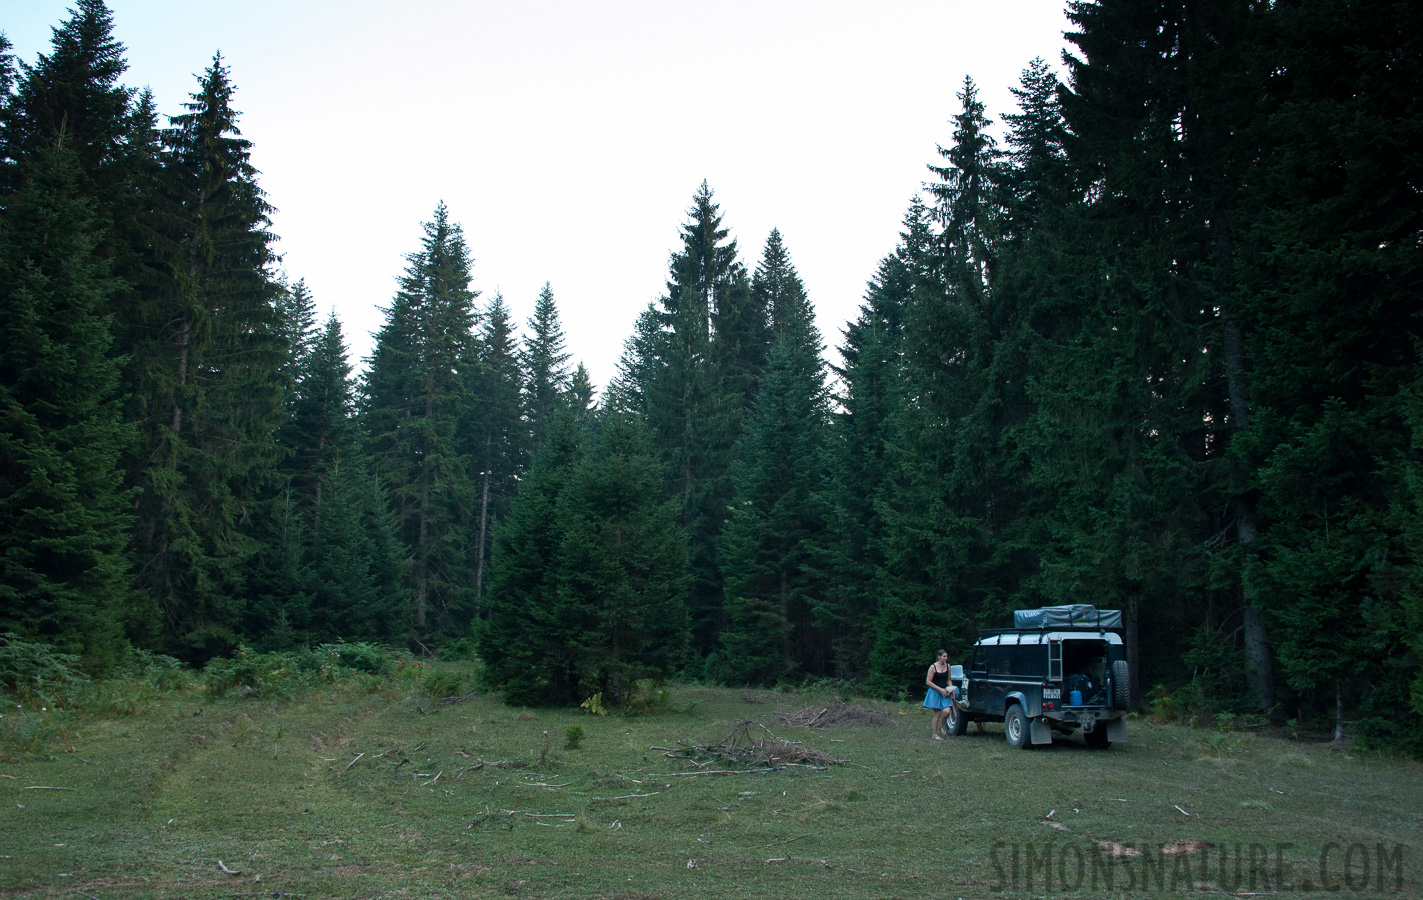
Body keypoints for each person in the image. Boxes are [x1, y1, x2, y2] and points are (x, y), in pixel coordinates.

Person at [923, 649, 957, 739]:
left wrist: (951, 688)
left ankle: (942, 726)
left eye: (946, 656)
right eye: (944, 656)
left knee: (947, 711)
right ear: (939, 657)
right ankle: (935, 734)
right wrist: (940, 689)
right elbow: (928, 682)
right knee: (937, 713)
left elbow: (948, 680)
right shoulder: (933, 667)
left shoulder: (948, 666)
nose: (946, 658)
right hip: (935, 692)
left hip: (945, 692)